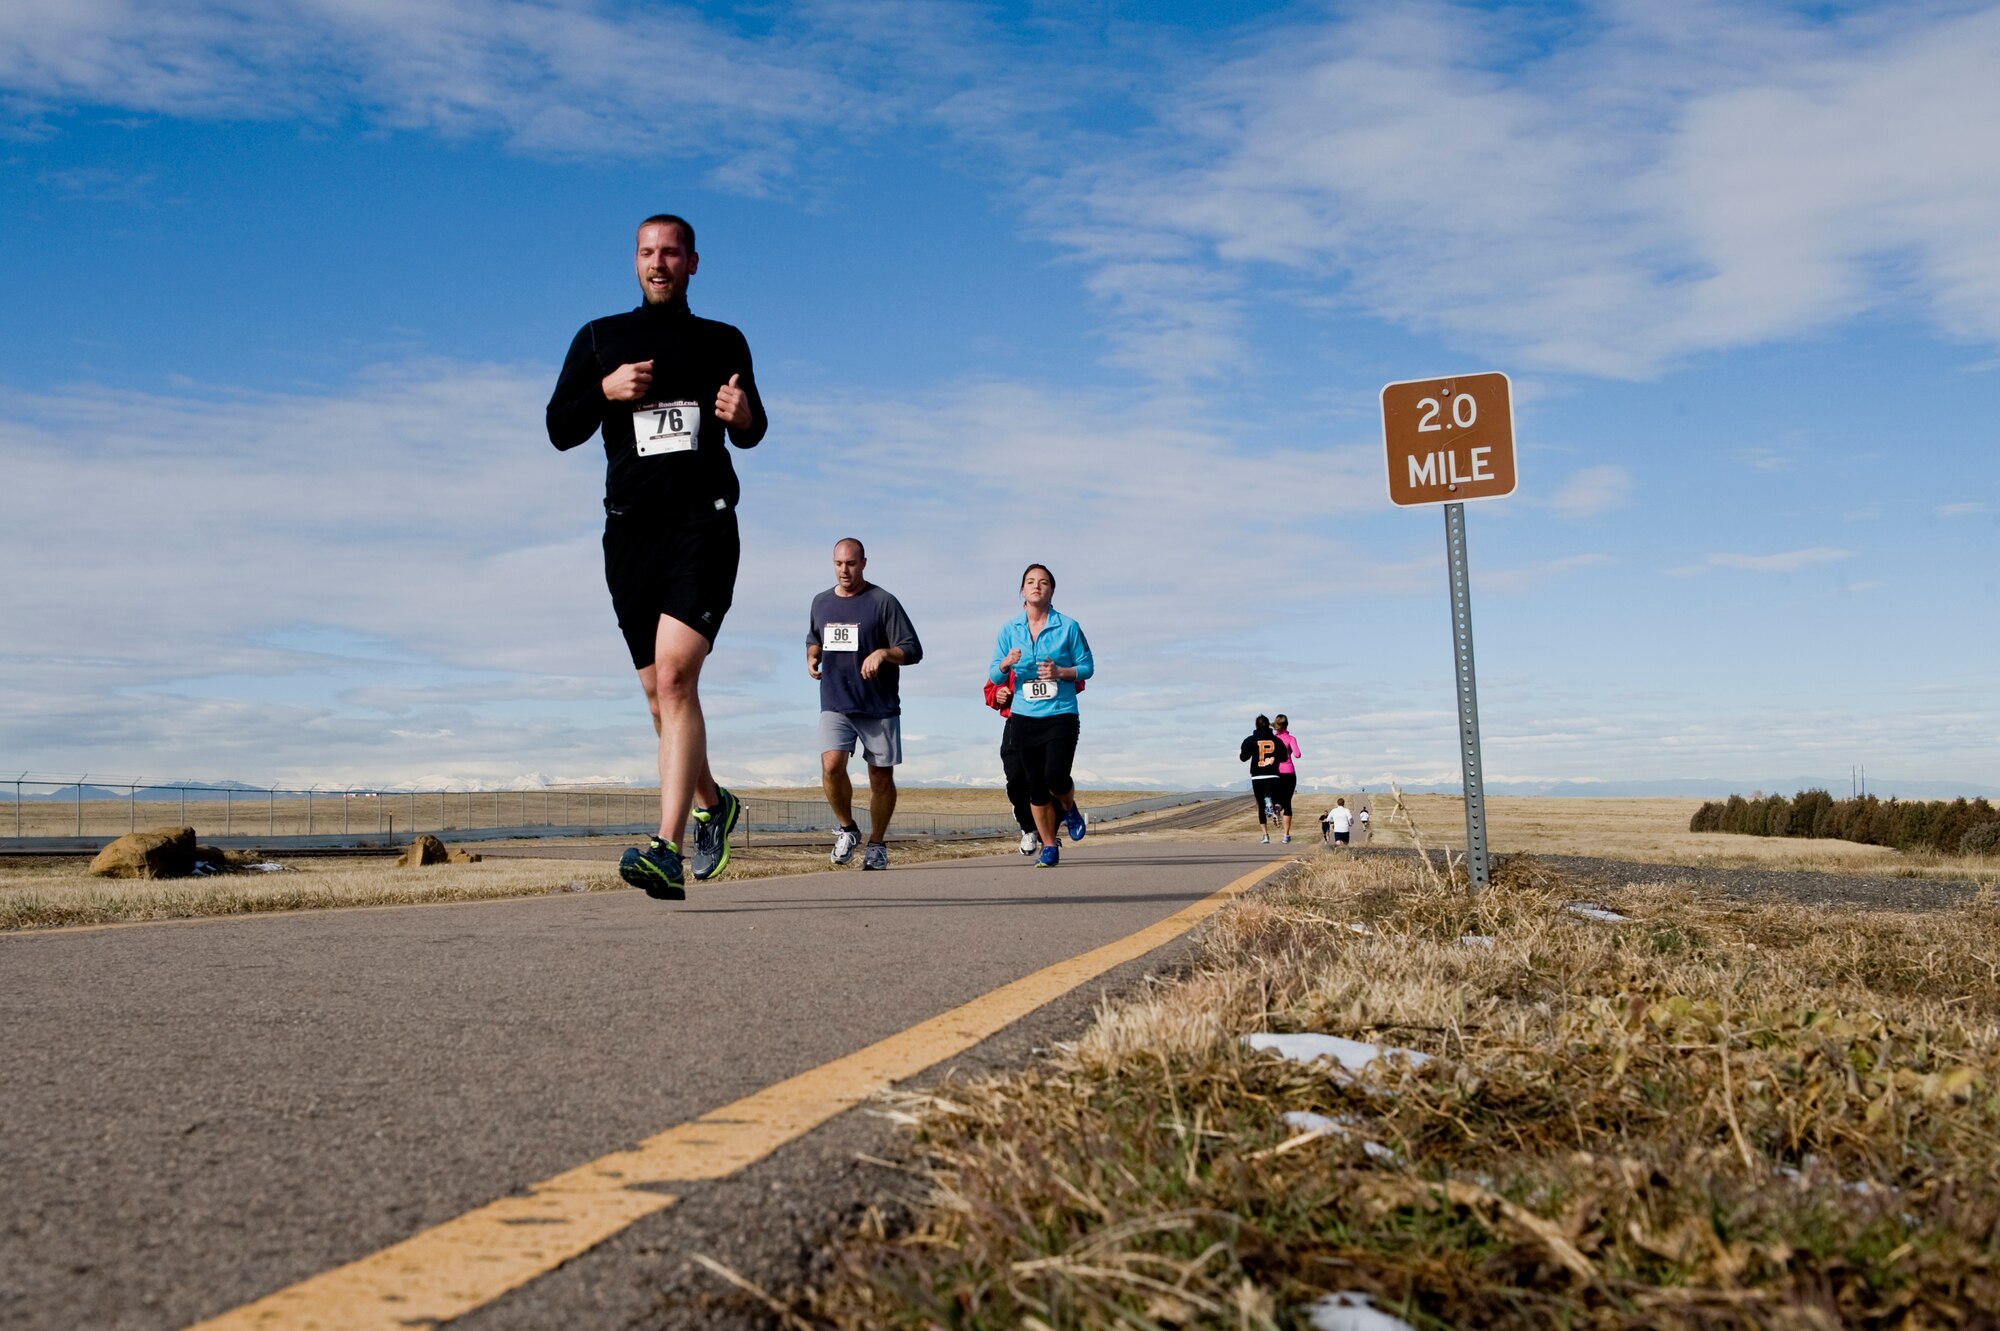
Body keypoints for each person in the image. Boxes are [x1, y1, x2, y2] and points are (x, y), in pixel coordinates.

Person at [546, 214, 767, 899]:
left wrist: (743, 413)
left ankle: (665, 849)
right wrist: (603, 392)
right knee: (659, 695)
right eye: (647, 252)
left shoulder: (722, 340)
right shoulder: (599, 338)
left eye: (671, 252)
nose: (659, 262)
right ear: (634, 262)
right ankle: (713, 802)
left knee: (675, 678)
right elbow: (559, 427)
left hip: (704, 526)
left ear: (693, 262)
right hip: (629, 535)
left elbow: (755, 428)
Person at [807, 539, 922, 870]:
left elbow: (912, 648)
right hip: (836, 701)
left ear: (864, 563)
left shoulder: (883, 602)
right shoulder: (821, 602)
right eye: (839, 563)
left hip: (878, 706)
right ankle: (847, 829)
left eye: (851, 563)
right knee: (830, 765)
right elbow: (814, 637)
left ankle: (877, 843)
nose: (845, 570)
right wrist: (812, 655)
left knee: (880, 779)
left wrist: (885, 653)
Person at [988, 564, 1094, 868]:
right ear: (1022, 590)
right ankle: (1049, 845)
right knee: (1034, 786)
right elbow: (994, 674)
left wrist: (1061, 672)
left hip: (1060, 713)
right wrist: (1006, 663)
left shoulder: (1068, 627)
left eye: (1043, 582)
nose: (1037, 586)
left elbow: (1087, 667)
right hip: (1023, 716)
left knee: (1055, 776)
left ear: (1051, 590)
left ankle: (1068, 806)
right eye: (1031, 582)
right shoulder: (1009, 630)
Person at [986, 667, 1086, 857]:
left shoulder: (1058, 653)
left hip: (1055, 720)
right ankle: (1028, 827)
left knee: (1049, 779)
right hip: (1018, 722)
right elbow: (991, 687)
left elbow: (1079, 681)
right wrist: (998, 695)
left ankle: (1048, 840)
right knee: (1016, 777)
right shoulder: (1013, 654)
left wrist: (1057, 676)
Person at [1239, 715, 1286, 844]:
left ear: (1256, 726)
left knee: (1260, 804)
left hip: (1257, 775)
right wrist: (1273, 758)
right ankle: (1275, 807)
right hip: (1273, 775)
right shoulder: (1276, 741)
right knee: (1277, 799)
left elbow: (1243, 757)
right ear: (1269, 725)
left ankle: (1265, 835)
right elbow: (1284, 757)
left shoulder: (1250, 740)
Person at [1271, 714, 1303, 844]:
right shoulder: (1291, 738)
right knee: (1288, 802)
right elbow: (1298, 754)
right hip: (1289, 772)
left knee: (1278, 799)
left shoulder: (1272, 739)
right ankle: (1286, 835)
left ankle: (1277, 808)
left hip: (1275, 772)